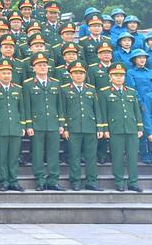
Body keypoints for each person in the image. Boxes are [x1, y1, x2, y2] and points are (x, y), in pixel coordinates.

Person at [23, 53, 65, 191]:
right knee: (38, 153)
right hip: (37, 124)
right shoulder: (28, 84)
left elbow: (60, 105)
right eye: (39, 65)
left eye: (44, 65)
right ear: (33, 68)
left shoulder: (55, 83)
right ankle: (40, 180)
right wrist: (28, 124)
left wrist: (61, 124)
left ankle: (53, 180)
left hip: (53, 124)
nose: (42, 67)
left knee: (53, 152)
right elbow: (26, 106)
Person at [99, 66, 144, 192]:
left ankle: (133, 182)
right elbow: (103, 112)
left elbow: (136, 111)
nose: (119, 78)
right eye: (116, 75)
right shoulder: (105, 92)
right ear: (110, 77)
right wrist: (105, 128)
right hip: (115, 129)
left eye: (121, 75)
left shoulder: (130, 91)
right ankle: (119, 181)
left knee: (133, 157)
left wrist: (139, 126)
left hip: (131, 128)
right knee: (117, 157)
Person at [61, 61, 102, 191]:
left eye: (81, 73)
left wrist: (99, 127)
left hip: (90, 127)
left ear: (85, 75)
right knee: (74, 155)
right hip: (73, 128)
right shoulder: (65, 89)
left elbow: (97, 109)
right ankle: (75, 180)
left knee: (91, 156)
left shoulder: (91, 89)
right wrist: (65, 127)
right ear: (70, 75)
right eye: (75, 73)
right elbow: (62, 110)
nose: (78, 75)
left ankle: (92, 181)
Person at [0, 59, 25, 192]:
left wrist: (23, 126)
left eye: (8, 73)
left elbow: (22, 109)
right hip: (0, 128)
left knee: (14, 156)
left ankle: (13, 181)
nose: (6, 75)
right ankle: (4, 181)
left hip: (15, 127)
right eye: (3, 73)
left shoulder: (18, 89)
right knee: (2, 156)